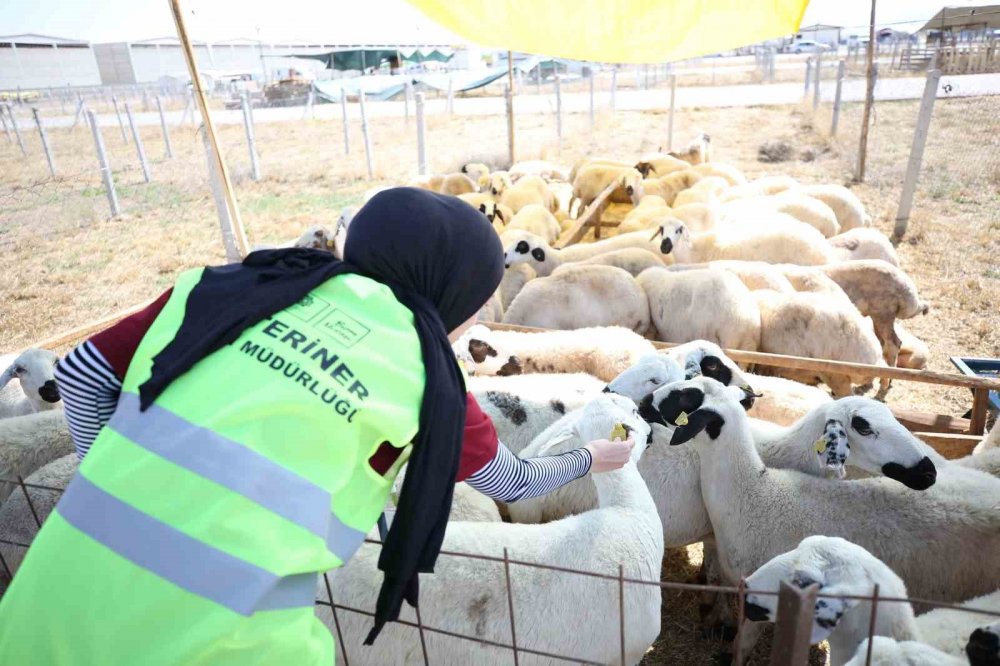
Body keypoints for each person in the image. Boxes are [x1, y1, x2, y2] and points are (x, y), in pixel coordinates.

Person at [0, 188, 633, 665]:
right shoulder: (422, 373)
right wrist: (590, 460)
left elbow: (81, 373)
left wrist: (116, 478)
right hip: (223, 642)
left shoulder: (233, 287)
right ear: (450, 291)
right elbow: (510, 482)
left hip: (45, 609)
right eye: (475, 301)